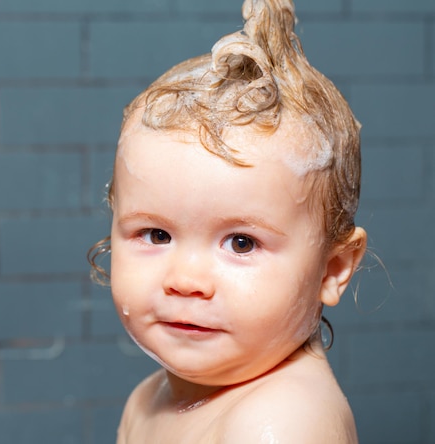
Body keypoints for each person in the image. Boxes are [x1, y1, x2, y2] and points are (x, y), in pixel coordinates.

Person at [89, 0, 367, 441]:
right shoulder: (148, 400)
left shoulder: (281, 423)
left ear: (332, 269)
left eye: (241, 243)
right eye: (156, 234)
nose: (185, 279)